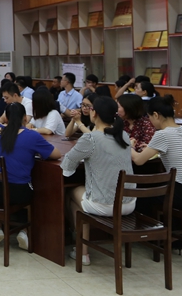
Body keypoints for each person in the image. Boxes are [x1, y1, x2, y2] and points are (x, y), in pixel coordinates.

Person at [61, 96, 135, 266]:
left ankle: (82, 251)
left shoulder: (91, 138)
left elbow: (67, 165)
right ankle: (82, 247)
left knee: (71, 194)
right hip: (129, 202)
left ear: (94, 114)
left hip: (105, 205)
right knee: (85, 194)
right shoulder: (124, 135)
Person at [0, 103, 61, 249]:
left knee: (4, 188)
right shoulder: (32, 135)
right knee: (33, 189)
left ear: (6, 117)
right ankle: (24, 231)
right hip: (17, 192)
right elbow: (56, 154)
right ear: (25, 118)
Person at [130, 95, 182, 212]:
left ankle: (149, 224)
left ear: (156, 115)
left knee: (141, 195)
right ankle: (171, 224)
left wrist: (129, 146)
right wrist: (152, 148)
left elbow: (138, 160)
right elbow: (178, 152)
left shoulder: (162, 134)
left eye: (149, 117)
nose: (150, 121)